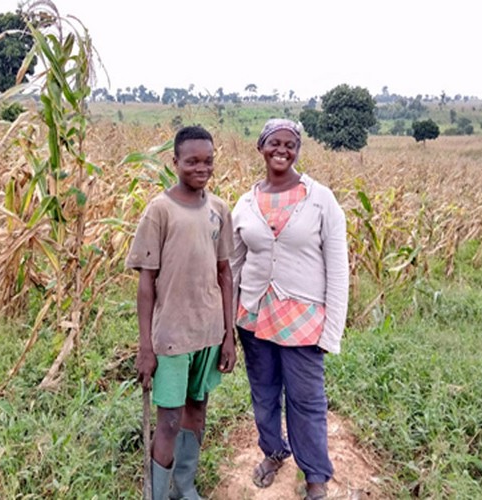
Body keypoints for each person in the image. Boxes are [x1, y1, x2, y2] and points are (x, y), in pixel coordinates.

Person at [230, 118, 349, 500]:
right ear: (261, 147)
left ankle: (315, 476)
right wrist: (226, 323)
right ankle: (273, 452)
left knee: (306, 401)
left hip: (303, 322)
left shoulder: (320, 199)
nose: (282, 150)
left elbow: (338, 270)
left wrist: (332, 332)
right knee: (264, 394)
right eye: (274, 143)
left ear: (297, 150)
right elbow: (233, 266)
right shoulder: (245, 204)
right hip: (253, 316)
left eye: (290, 144)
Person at [126, 125, 236, 499]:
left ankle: (183, 489)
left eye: (207, 161)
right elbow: (146, 283)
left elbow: (224, 273)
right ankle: (158, 494)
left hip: (209, 332)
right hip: (171, 336)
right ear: (175, 162)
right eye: (191, 161)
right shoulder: (159, 211)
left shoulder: (219, 210)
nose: (201, 168)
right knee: (169, 420)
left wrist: (229, 337)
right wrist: (145, 346)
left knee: (197, 409)